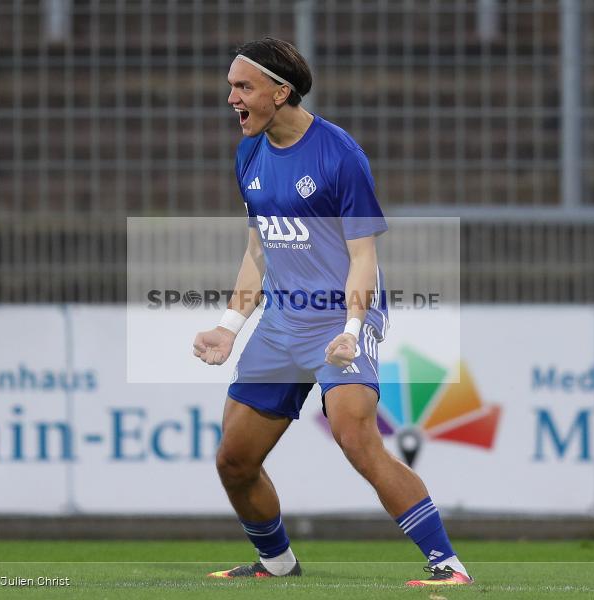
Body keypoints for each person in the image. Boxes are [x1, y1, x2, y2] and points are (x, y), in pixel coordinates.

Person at [192, 37, 472, 587]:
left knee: (353, 434)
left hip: (338, 319)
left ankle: (448, 565)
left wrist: (351, 328)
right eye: (230, 87)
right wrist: (228, 327)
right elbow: (258, 249)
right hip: (280, 323)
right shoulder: (248, 152)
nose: (232, 98)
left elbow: (364, 255)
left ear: (281, 90)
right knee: (234, 459)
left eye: (243, 87)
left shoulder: (339, 155)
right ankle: (277, 564)